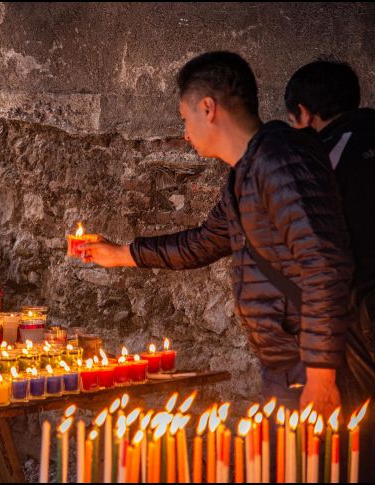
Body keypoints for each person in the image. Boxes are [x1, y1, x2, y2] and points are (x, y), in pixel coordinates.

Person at [80, 51, 355, 420]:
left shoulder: (280, 160)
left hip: (311, 365)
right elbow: (204, 242)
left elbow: (322, 263)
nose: (185, 133)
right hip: (287, 363)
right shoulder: (247, 172)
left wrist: (321, 376)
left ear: (208, 108)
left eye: (185, 118)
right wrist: (120, 254)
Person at [285, 59, 375, 481]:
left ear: (304, 113)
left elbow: (309, 261)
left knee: (322, 461)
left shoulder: (318, 163)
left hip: (331, 344)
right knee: (371, 450)